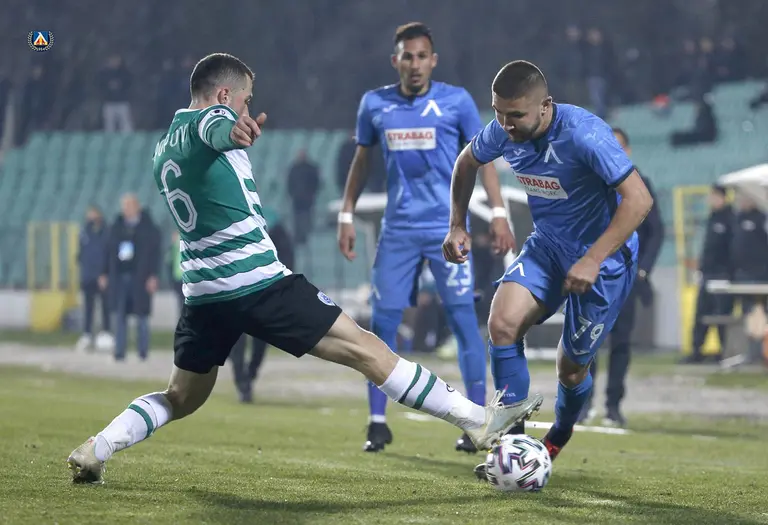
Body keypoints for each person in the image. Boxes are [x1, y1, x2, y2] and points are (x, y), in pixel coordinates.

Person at [66, 53, 540, 485]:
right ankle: (478, 421)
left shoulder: (162, 146)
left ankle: (97, 447)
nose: (248, 109)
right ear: (225, 95)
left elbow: (205, 138)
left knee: (180, 397)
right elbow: (213, 125)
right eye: (246, 100)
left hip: (203, 293)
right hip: (256, 282)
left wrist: (229, 132)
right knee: (368, 349)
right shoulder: (211, 121)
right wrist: (231, 129)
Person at [442, 60, 652, 478]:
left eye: (515, 115)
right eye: (498, 112)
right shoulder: (503, 130)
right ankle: (514, 445)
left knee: (570, 370)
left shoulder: (584, 134)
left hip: (604, 261)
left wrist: (592, 259)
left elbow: (640, 200)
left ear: (545, 106)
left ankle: (557, 437)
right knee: (502, 324)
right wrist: (457, 224)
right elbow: (466, 163)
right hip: (548, 247)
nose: (506, 125)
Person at [337, 22, 517, 454]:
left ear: (433, 61)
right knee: (382, 324)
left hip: (447, 229)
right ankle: (377, 422)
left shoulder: (457, 101)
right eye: (407, 56)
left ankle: (477, 421)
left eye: (422, 56)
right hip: (397, 231)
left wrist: (498, 213)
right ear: (395, 60)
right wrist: (346, 214)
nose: (415, 64)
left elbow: (482, 159)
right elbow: (362, 161)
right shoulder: (375, 104)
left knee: (463, 321)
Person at [582, 128, 664, 427]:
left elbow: (656, 231)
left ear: (627, 151)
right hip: (593, 275)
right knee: (585, 342)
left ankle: (613, 406)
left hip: (626, 276)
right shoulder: (589, 181)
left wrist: (643, 270)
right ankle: (583, 404)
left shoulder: (640, 183)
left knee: (620, 344)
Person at [229, 206, 295, 403]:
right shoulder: (236, 226)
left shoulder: (275, 229)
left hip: (263, 292)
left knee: (260, 339)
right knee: (237, 340)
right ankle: (242, 380)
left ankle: (249, 375)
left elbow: (287, 260)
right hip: (240, 291)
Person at [100, 194, 161, 362]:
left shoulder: (149, 228)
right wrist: (104, 273)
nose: (126, 209)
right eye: (124, 206)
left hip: (140, 278)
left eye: (129, 206)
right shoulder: (116, 227)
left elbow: (155, 255)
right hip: (120, 277)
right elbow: (107, 252)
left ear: (137, 207)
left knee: (141, 316)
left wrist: (153, 276)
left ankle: (142, 351)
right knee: (120, 315)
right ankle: (119, 351)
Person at [686, 184, 734, 364]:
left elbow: (732, 249)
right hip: (707, 274)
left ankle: (725, 352)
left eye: (714, 196)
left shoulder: (730, 219)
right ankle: (696, 351)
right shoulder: (712, 218)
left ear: (722, 197)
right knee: (701, 313)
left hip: (722, 275)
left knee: (721, 314)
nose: (711, 200)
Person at [75, 205, 112, 353]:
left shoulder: (106, 232)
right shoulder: (84, 233)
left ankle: (106, 333)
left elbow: (107, 254)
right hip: (88, 276)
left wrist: (105, 273)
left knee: (105, 306)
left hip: (102, 276)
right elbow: (82, 254)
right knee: (88, 307)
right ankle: (87, 334)